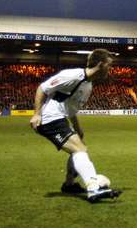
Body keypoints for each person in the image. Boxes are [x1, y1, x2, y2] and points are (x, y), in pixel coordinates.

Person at [29, 49, 122, 202]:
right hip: (49, 119)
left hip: (60, 118)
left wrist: (78, 128)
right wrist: (37, 114)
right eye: (109, 65)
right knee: (80, 149)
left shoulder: (88, 86)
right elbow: (42, 88)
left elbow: (71, 109)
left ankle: (69, 184)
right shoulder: (72, 75)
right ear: (100, 64)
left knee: (79, 151)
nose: (110, 70)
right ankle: (93, 189)